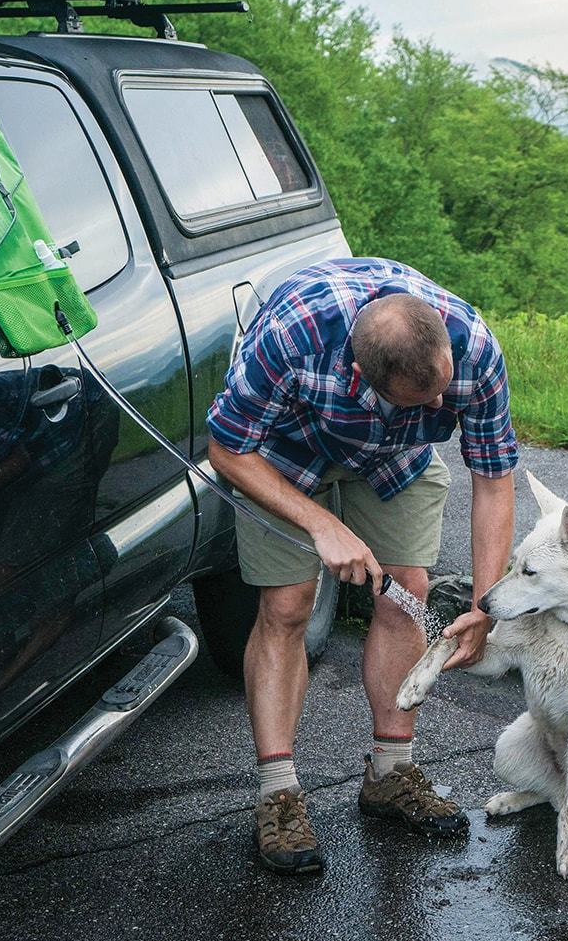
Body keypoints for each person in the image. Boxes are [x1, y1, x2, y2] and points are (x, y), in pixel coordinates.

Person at [207, 257, 518, 874]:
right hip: (282, 453)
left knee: (407, 591)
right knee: (287, 605)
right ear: (359, 375)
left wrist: (487, 605)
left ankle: (390, 772)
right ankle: (278, 794)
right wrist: (323, 526)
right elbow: (227, 447)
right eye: (420, 397)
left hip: (394, 458)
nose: (439, 401)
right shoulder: (291, 339)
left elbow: (493, 476)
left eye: (441, 387)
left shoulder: (472, 347)